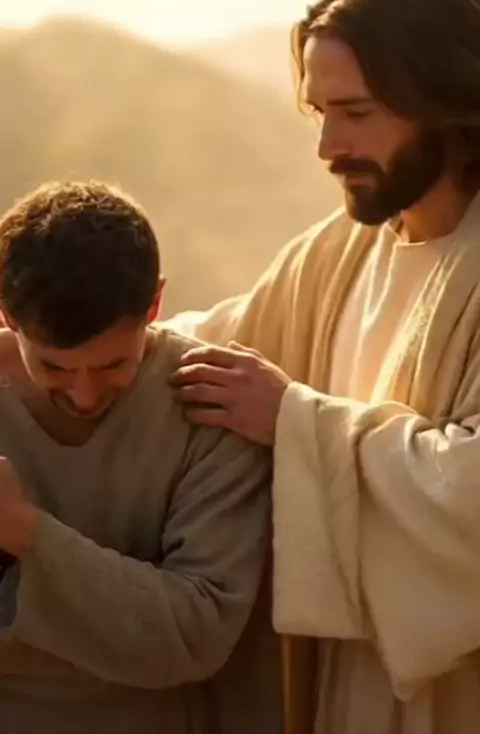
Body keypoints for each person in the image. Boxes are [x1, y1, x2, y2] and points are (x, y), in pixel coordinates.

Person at [168, 0, 480, 734]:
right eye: (319, 114)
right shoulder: (339, 254)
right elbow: (215, 346)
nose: (328, 147)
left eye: (357, 112)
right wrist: (38, 349)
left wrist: (294, 422)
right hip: (345, 689)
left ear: (445, 101)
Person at [0, 180, 282, 734]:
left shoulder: (212, 407)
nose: (85, 395)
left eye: (113, 366)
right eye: (55, 367)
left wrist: (27, 536)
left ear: (155, 304)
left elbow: (196, 634)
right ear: (7, 314)